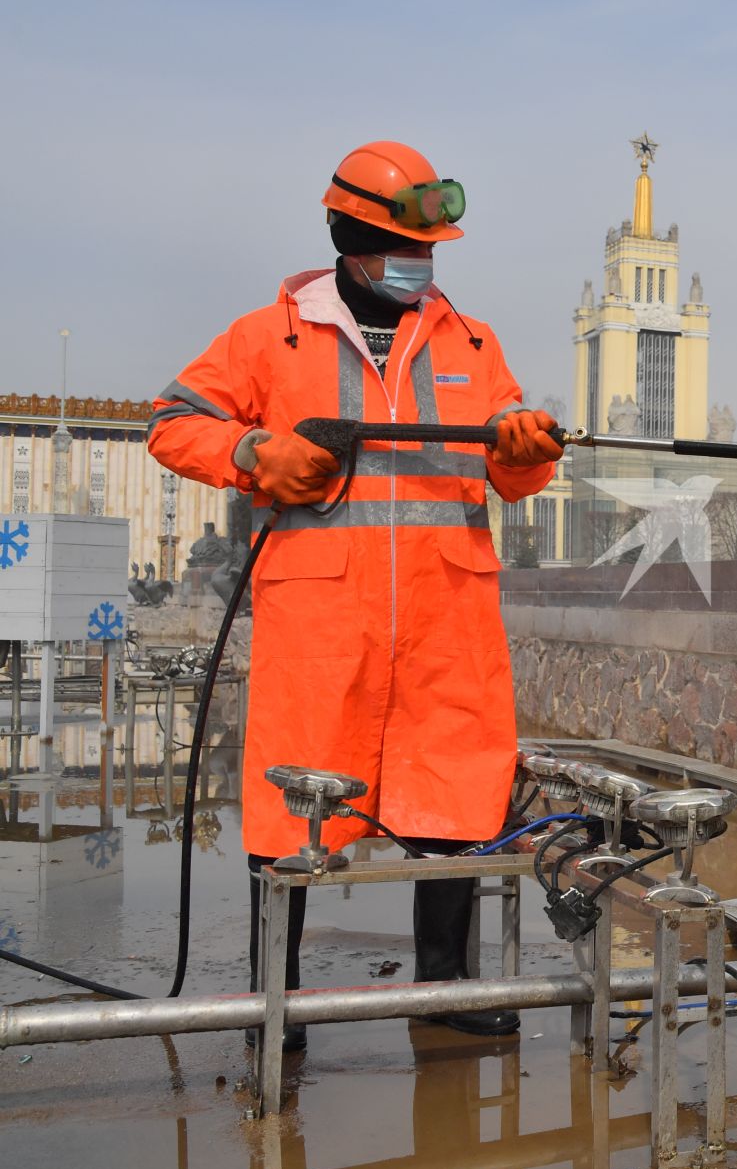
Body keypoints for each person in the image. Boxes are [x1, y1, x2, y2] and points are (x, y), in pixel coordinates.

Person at [147, 141, 562, 1046]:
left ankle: (442, 992)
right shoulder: (271, 335)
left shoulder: (469, 339)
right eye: (403, 244)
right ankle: (278, 1005)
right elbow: (175, 423)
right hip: (319, 621)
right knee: (289, 804)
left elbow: (510, 466)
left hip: (447, 619)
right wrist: (257, 453)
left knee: (455, 795)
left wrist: (523, 451)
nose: (422, 261)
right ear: (348, 235)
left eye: (431, 246)